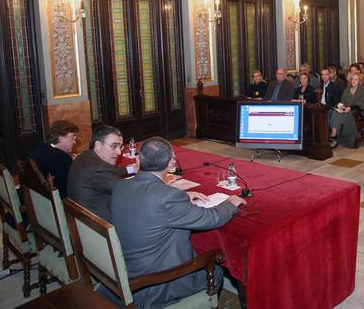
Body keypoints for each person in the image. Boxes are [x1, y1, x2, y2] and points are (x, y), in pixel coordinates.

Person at [110, 137, 245, 308]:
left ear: (138, 160)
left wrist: (181, 196)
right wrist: (231, 203)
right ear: (169, 164)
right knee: (216, 271)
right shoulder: (169, 198)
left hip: (126, 270)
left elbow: (149, 198)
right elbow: (211, 218)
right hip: (154, 285)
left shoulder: (121, 186)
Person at [67, 125, 137, 222]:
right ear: (98, 145)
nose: (119, 152)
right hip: (99, 225)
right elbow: (131, 192)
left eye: (120, 147)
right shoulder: (100, 169)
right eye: (114, 146)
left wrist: (132, 168)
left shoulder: (84, 156)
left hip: (80, 220)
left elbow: (109, 172)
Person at [28, 120, 78, 198]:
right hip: (58, 199)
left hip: (35, 196)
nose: (74, 142)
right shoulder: (61, 158)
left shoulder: (41, 147)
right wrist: (76, 164)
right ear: (61, 138)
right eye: (72, 137)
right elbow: (73, 184)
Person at [329, 73, 364, 148]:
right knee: (335, 112)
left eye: (356, 79)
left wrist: (350, 108)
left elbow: (363, 104)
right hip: (346, 110)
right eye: (352, 79)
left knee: (341, 115)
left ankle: (334, 138)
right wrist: (341, 106)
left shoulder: (362, 90)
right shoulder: (347, 90)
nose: (354, 81)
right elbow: (342, 101)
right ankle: (334, 136)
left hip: (358, 112)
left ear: (359, 81)